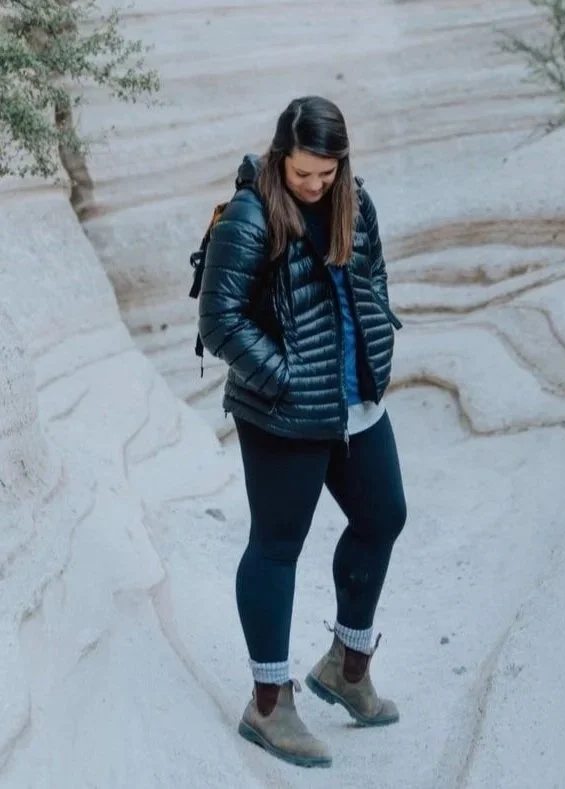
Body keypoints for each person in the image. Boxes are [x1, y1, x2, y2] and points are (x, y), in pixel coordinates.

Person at [198, 96, 407, 769]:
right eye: (303, 173)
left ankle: (347, 666)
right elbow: (219, 321)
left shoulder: (354, 201)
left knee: (382, 516)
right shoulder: (249, 216)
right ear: (281, 155)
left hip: (355, 399)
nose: (315, 185)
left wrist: (375, 347)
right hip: (283, 410)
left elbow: (369, 276)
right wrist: (284, 377)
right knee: (277, 545)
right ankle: (267, 703)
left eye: (327, 172)